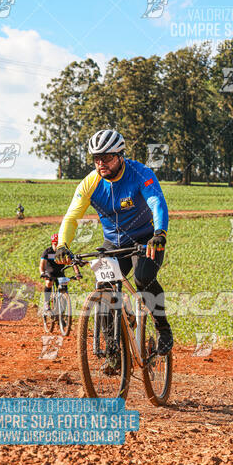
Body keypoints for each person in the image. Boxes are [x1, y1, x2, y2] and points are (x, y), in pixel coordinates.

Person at [55, 129, 173, 356]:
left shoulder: (140, 173)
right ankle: (112, 351)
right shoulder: (90, 183)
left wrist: (160, 232)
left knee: (143, 278)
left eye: (107, 157)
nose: (101, 163)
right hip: (114, 243)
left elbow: (156, 200)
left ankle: (163, 328)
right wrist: (63, 245)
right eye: (96, 159)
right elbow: (71, 217)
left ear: (120, 156)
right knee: (105, 290)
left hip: (146, 239)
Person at [40, 233, 81, 314]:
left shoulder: (64, 251)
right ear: (52, 243)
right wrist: (42, 273)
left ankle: (62, 312)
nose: (56, 245)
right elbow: (42, 264)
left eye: (58, 243)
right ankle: (46, 303)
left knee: (64, 290)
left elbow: (73, 263)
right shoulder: (47, 252)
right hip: (50, 272)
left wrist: (77, 273)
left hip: (60, 273)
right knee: (49, 283)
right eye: (55, 243)